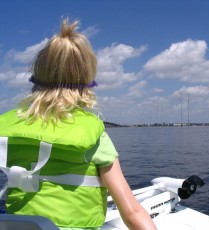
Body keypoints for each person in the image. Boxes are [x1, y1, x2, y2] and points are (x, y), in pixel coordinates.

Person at [0, 18, 157, 230]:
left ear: (36, 77)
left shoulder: (7, 133)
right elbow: (132, 213)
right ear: (86, 82)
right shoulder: (94, 136)